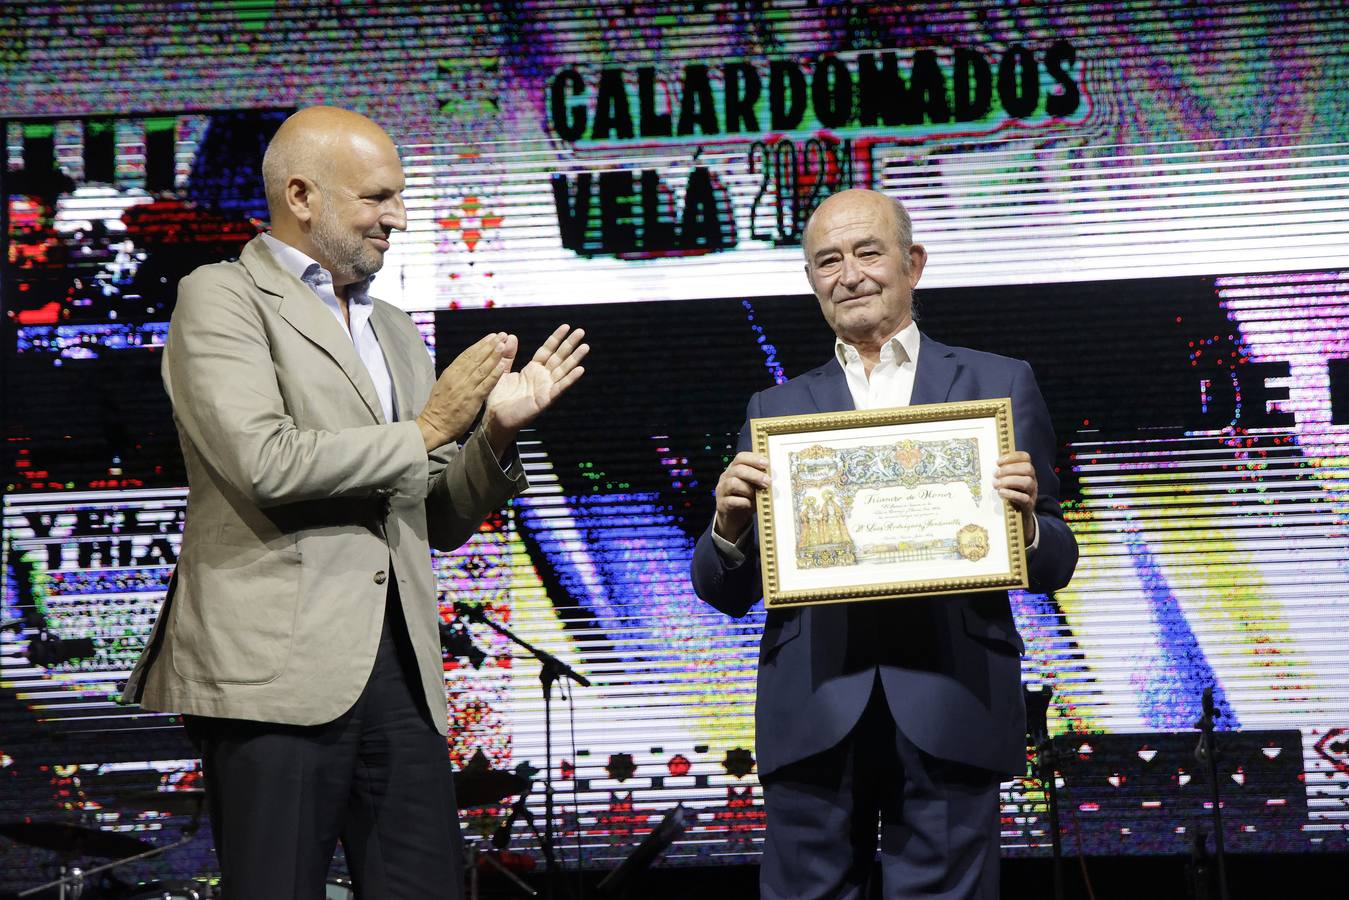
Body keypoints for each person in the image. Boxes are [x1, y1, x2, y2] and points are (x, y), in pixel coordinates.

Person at [121, 106, 588, 899]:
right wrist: (431, 426)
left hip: (400, 672)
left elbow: (435, 517)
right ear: (301, 196)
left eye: (398, 197)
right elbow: (264, 462)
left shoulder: (394, 329)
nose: (397, 217)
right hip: (274, 677)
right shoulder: (222, 297)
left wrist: (494, 435)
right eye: (376, 198)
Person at [690, 189, 1077, 899]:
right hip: (812, 706)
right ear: (811, 280)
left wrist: (1021, 523)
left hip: (953, 698)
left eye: (868, 253)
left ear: (912, 264)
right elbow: (723, 591)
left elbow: (1056, 557)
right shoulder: (774, 411)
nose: (849, 275)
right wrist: (729, 528)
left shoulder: (997, 383)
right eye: (827, 261)